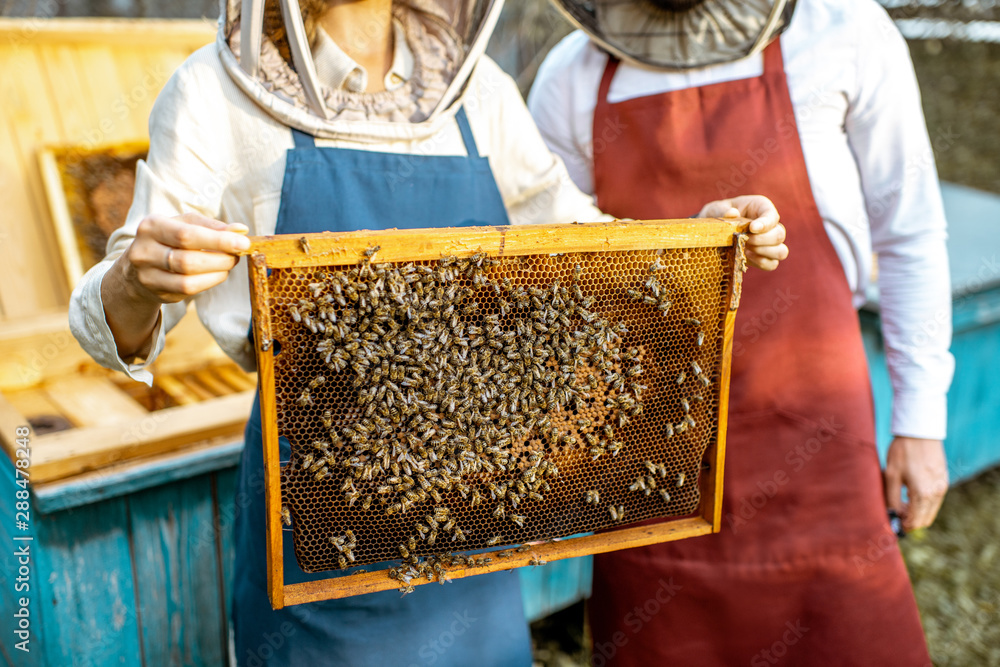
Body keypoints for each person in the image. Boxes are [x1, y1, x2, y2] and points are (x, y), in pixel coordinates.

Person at [68, 0, 786, 665]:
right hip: (317, 533)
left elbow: (582, 247)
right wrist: (136, 279)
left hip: (481, 518)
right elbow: (112, 322)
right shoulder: (214, 93)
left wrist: (699, 239)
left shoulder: (479, 91)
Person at [528, 0, 952, 664]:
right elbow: (552, 274)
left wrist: (922, 422)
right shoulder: (571, 76)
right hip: (650, 465)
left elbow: (910, 232)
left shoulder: (844, 30)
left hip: (817, 448)